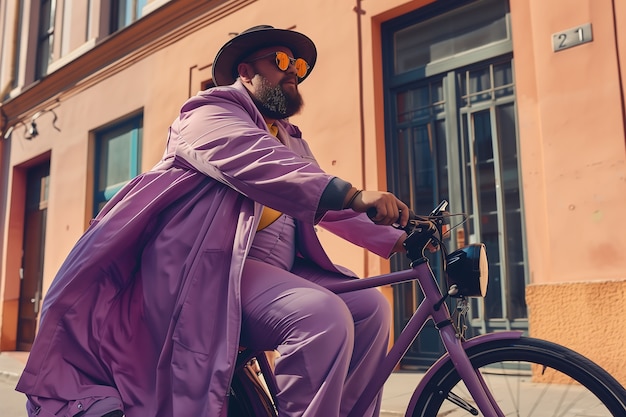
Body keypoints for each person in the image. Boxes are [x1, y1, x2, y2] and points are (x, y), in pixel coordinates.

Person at [16, 25, 410, 417]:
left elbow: (327, 204)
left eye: (300, 65)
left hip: (279, 270)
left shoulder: (291, 139)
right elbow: (261, 164)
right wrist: (353, 193)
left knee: (370, 308)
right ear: (245, 72)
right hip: (215, 270)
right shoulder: (208, 114)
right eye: (282, 60)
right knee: (320, 316)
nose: (294, 71)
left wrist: (400, 236)